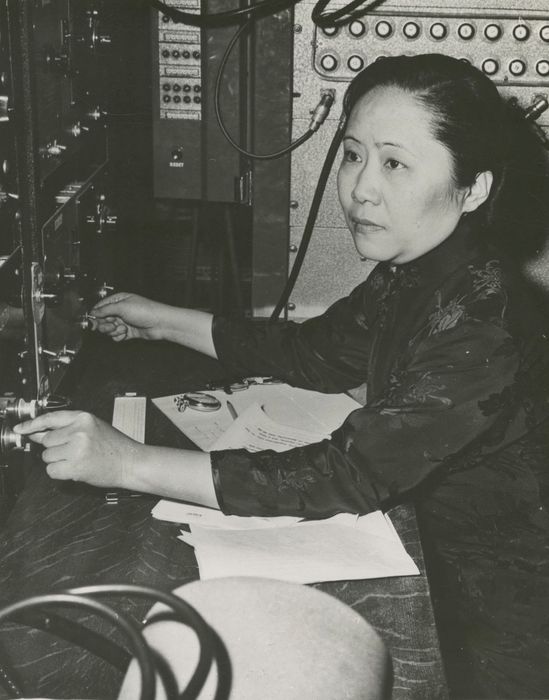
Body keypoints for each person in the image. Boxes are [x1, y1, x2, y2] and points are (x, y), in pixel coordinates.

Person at [14, 54, 549, 698]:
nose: (360, 188)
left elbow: (349, 473)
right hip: (434, 553)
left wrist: (127, 462)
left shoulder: (485, 319)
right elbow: (314, 352)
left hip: (495, 618)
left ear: (474, 189)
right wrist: (164, 321)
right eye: (352, 155)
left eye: (394, 164)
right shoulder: (421, 270)